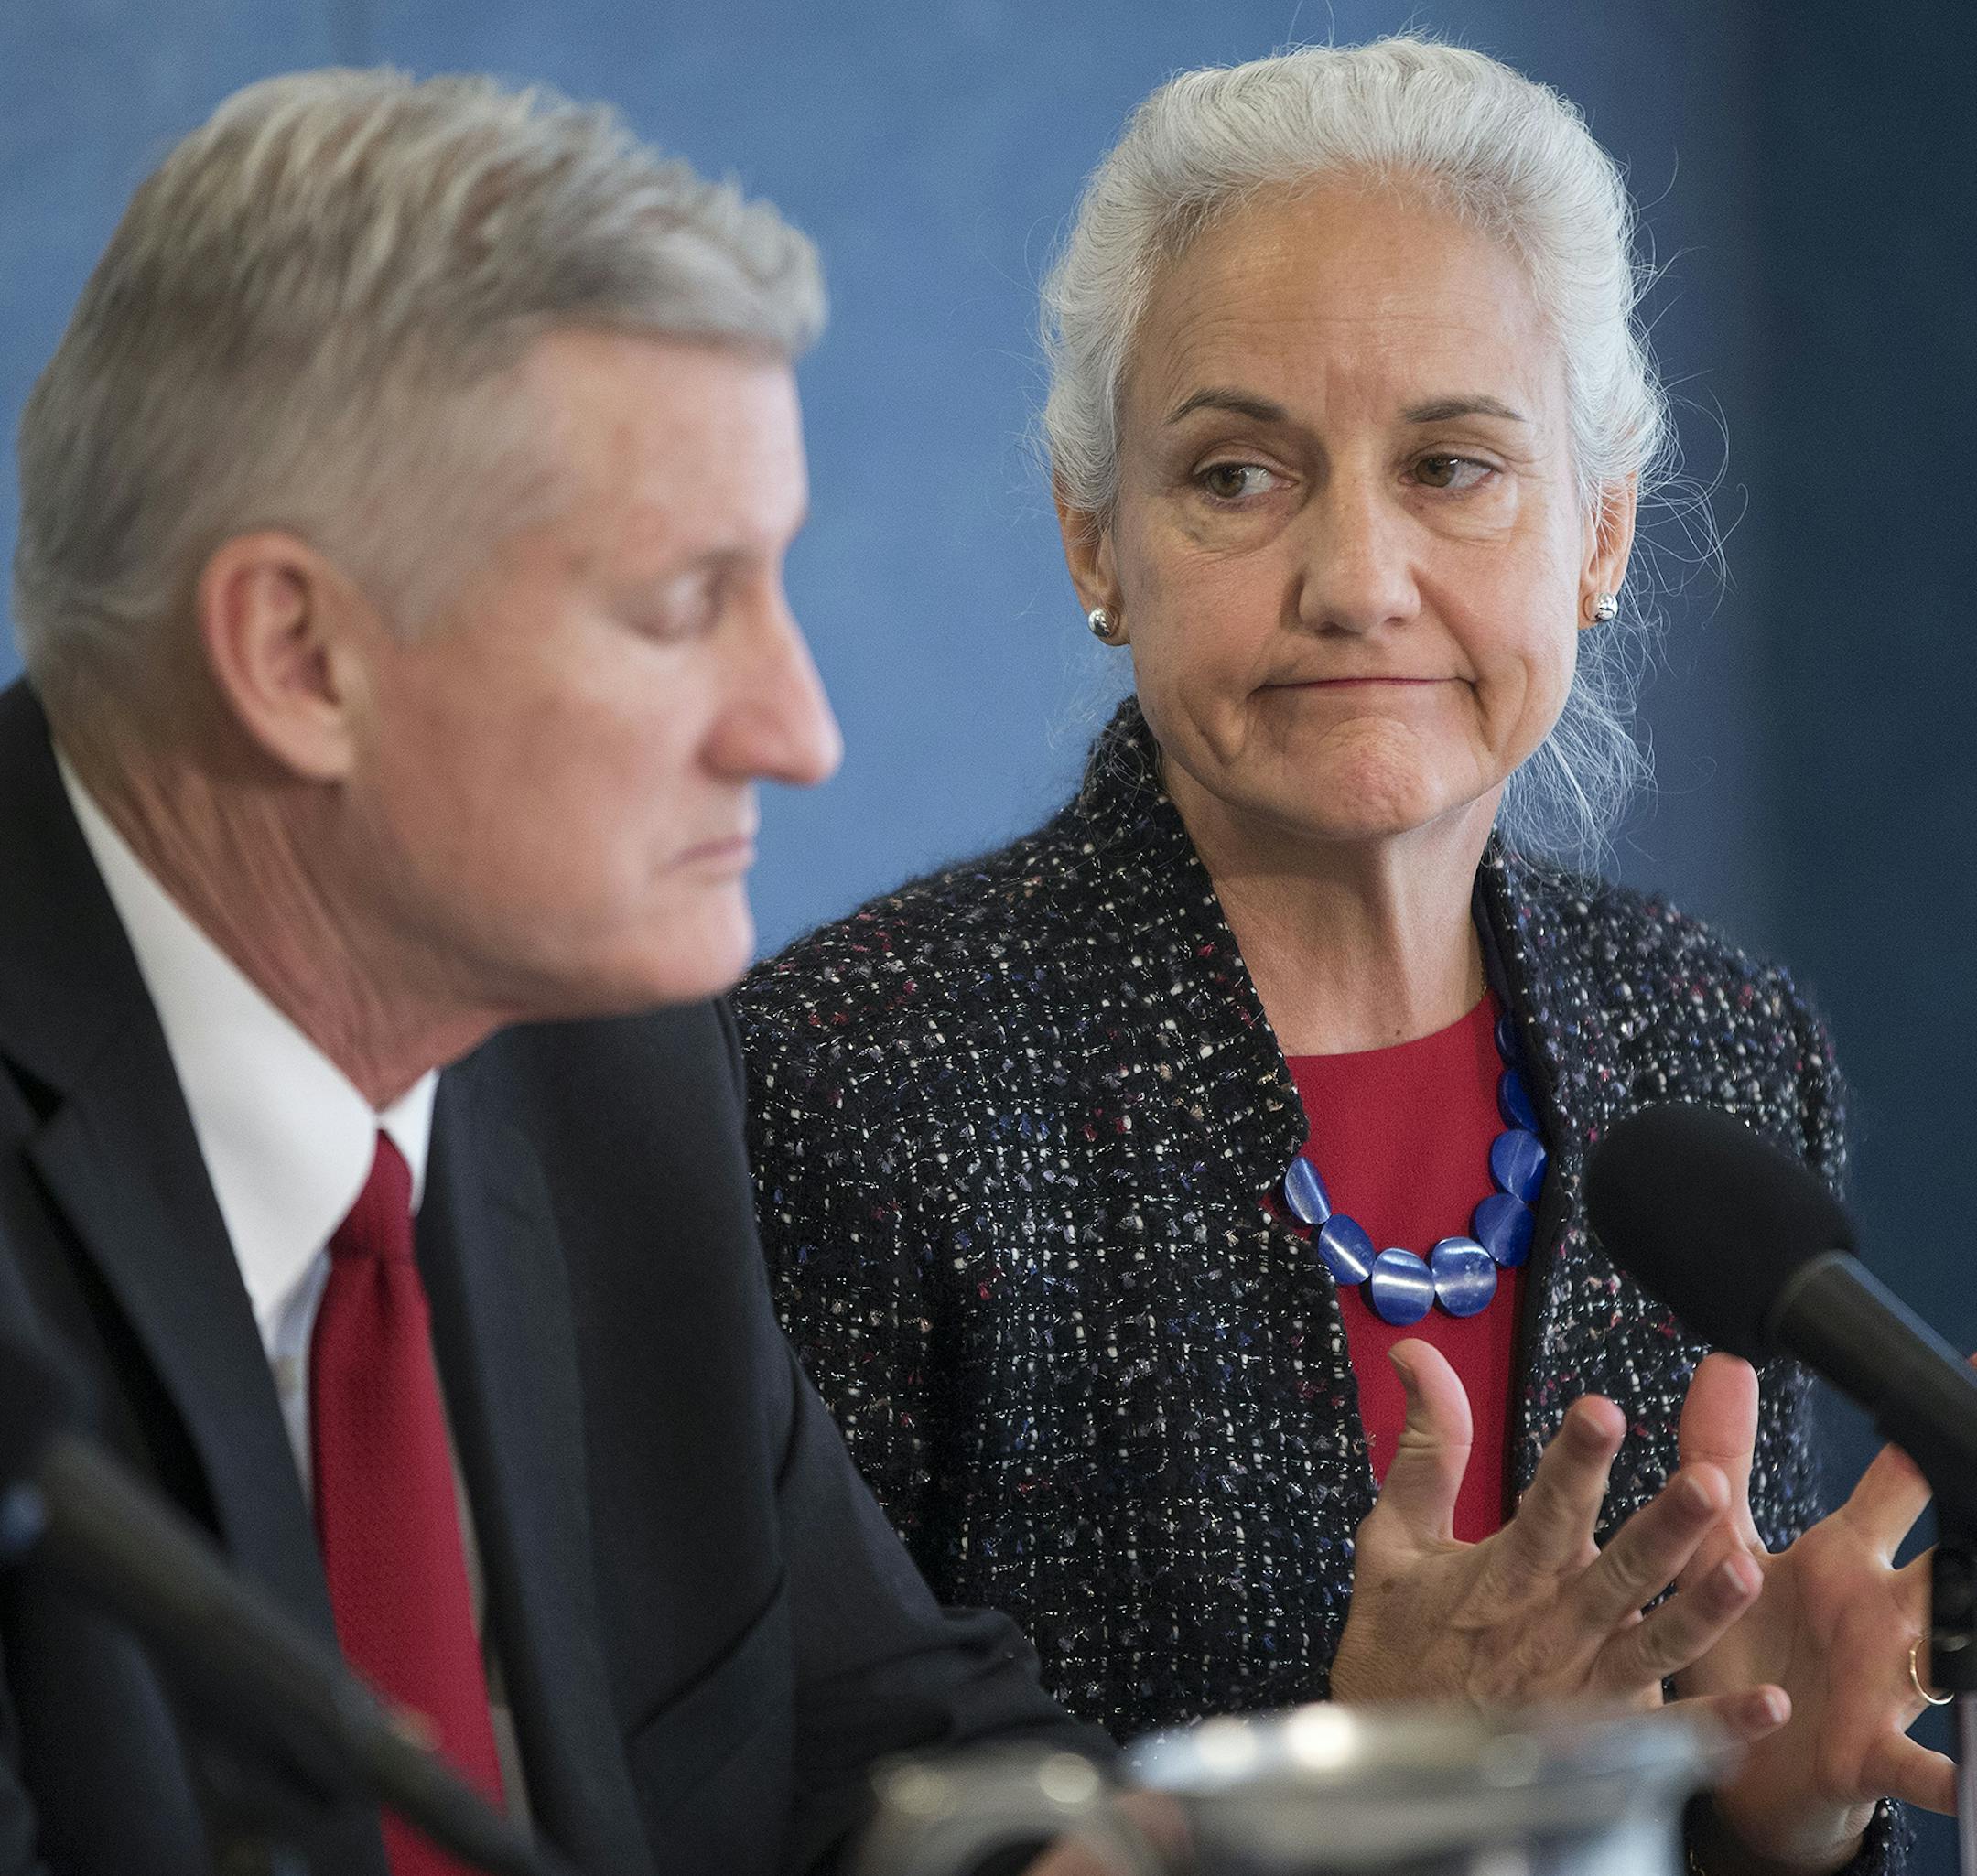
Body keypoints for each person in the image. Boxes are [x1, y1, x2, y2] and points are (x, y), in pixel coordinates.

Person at [739, 38, 1944, 1876]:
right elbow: (787, 1821)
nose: (1356, 576)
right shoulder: (852, 1075)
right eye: (1238, 475)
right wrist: (1335, 1790)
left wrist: (1773, 1818)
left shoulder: (1719, 1047)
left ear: (1600, 530)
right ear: (1097, 539)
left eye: (1453, 464)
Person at [0, 70, 1105, 1876]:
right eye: (686, 604)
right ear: (297, 652)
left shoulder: (613, 1061)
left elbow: (902, 1753)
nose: (803, 728)